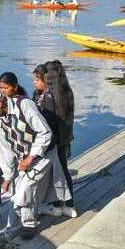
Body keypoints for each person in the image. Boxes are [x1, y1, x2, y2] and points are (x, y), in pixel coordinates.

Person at [0, 88, 71, 241]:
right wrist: (7, 177)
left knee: (25, 189)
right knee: (18, 192)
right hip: (23, 159)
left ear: (0, 102)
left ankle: (27, 224)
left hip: (43, 154)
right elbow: (4, 148)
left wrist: (31, 157)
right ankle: (23, 224)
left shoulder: (24, 105)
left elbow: (45, 133)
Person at [32, 61, 77, 218]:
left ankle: (58, 204)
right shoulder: (65, 92)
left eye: (38, 79)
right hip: (62, 140)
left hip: (53, 142)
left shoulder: (51, 97)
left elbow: (49, 124)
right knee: (63, 171)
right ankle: (68, 204)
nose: (35, 82)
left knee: (57, 173)